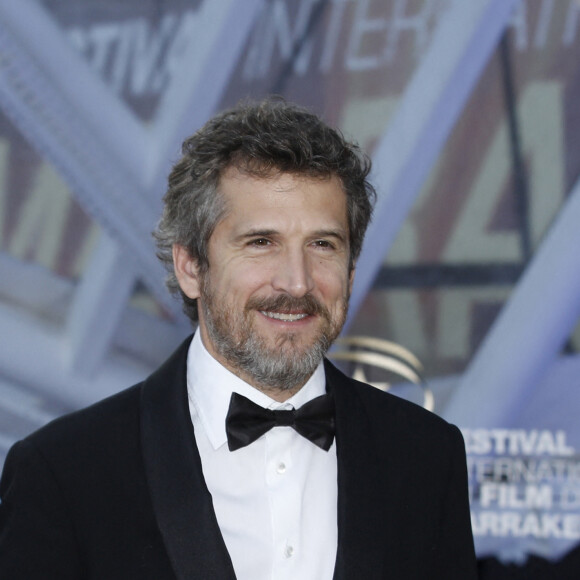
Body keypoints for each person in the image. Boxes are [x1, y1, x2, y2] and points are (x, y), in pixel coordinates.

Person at [0, 98, 477, 579]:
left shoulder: (426, 457)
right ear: (190, 267)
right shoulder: (63, 472)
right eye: (261, 243)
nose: (297, 282)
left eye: (323, 244)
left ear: (351, 271)